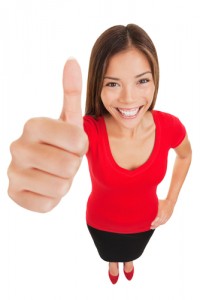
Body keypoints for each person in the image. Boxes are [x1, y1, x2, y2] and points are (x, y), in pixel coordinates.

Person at [7, 24, 192, 284]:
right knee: (110, 256)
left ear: (155, 80)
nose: (129, 98)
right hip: (101, 225)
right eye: (114, 83)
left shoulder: (170, 126)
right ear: (98, 86)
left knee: (131, 255)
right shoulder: (88, 130)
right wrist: (38, 163)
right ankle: (113, 265)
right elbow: (64, 144)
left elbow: (185, 155)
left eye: (142, 80)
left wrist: (170, 201)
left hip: (146, 226)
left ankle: (127, 260)